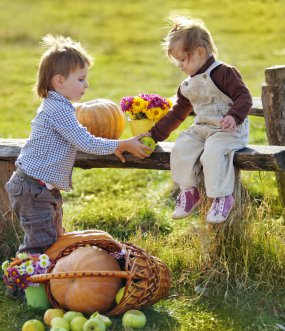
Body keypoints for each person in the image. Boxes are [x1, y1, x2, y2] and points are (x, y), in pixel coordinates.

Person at [5, 34, 150, 259]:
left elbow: (77, 138)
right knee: (39, 245)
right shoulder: (58, 110)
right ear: (59, 81)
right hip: (32, 188)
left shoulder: (59, 106)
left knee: (53, 240)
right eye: (81, 79)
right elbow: (85, 141)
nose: (86, 85)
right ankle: (21, 287)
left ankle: (47, 284)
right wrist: (120, 144)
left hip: (41, 188)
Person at [149, 16, 252, 223]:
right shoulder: (187, 86)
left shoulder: (224, 73)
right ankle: (189, 192)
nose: (179, 65)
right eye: (176, 60)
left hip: (228, 130)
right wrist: (154, 135)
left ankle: (222, 197)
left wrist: (234, 116)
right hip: (203, 129)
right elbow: (178, 113)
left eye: (183, 59)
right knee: (182, 146)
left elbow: (244, 97)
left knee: (212, 153)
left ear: (200, 52)